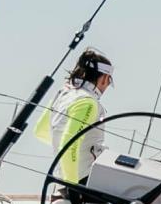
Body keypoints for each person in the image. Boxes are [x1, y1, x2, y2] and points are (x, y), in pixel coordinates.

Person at [34, 49, 112, 188]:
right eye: (109, 81)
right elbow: (69, 145)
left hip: (61, 177)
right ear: (104, 78)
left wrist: (64, 152)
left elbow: (40, 131)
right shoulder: (88, 102)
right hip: (84, 180)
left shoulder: (63, 93)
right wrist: (73, 185)